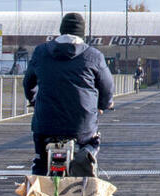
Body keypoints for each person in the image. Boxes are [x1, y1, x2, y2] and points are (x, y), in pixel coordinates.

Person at [23, 13, 114, 175]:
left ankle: (37, 181)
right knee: (92, 140)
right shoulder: (93, 56)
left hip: (46, 123)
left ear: (61, 30)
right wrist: (104, 104)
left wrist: (33, 99)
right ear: (82, 33)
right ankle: (87, 154)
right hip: (81, 124)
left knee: (40, 159)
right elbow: (107, 86)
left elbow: (28, 81)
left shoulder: (41, 52)